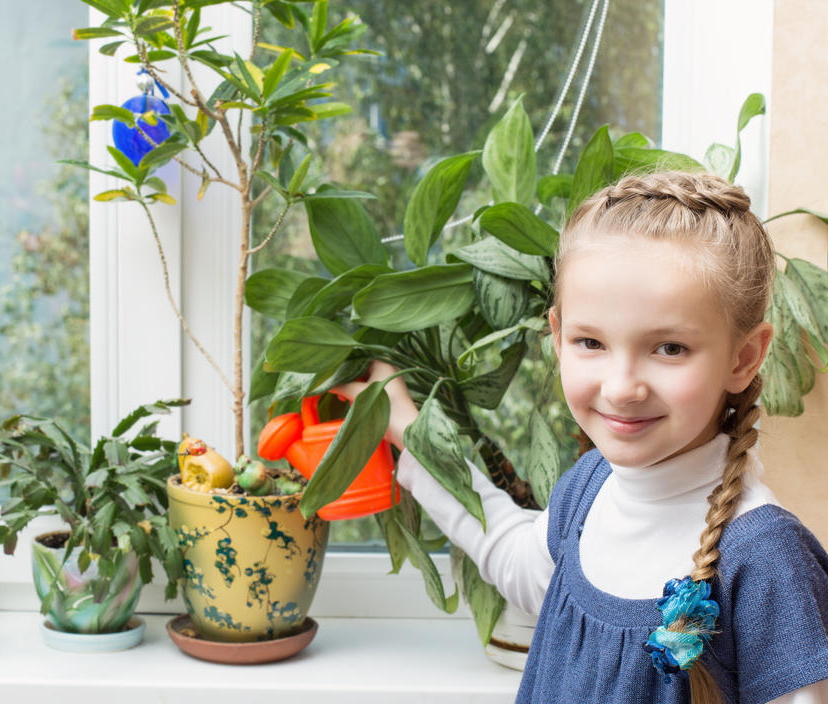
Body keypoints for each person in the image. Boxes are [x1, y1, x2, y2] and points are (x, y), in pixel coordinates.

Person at [335, 172, 828, 703]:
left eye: (669, 349)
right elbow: (514, 561)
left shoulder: (765, 558)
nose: (621, 388)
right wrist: (411, 431)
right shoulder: (589, 489)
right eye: (590, 341)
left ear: (744, 357)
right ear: (557, 337)